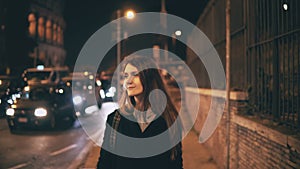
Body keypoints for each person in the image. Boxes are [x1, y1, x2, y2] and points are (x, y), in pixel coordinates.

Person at [97, 55, 183, 169]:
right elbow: (105, 163)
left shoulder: (168, 119)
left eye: (135, 74)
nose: (129, 81)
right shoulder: (115, 119)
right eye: (126, 76)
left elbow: (175, 164)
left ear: (149, 77)